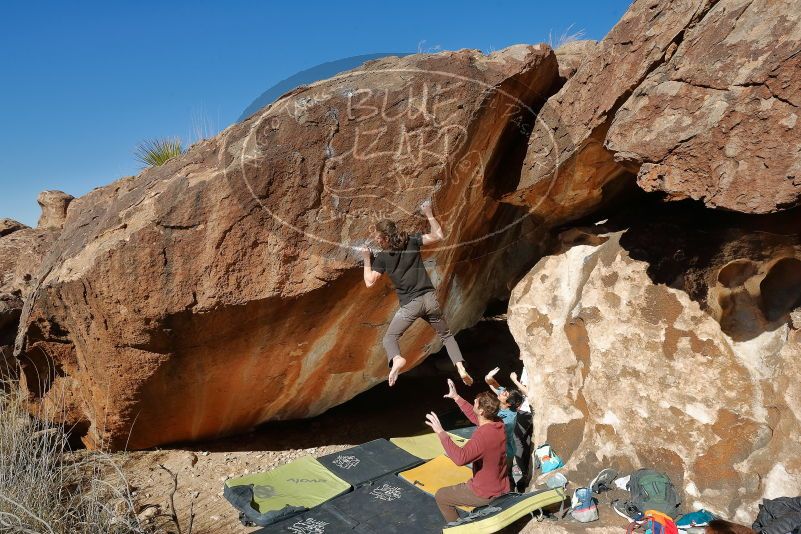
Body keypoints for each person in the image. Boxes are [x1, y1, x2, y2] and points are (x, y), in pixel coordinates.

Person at [361, 200, 473, 387]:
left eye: (379, 237)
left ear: (385, 238)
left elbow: (369, 282)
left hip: (410, 306)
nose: (377, 240)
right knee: (446, 336)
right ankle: (460, 367)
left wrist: (366, 259)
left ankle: (396, 359)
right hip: (430, 300)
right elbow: (438, 235)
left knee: (390, 338)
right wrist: (428, 213)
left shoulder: (382, 257)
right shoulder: (411, 241)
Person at [425, 379, 509, 523]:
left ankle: (458, 529)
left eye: (475, 403)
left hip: (485, 493)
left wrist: (441, 432)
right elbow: (477, 417)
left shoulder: (482, 436)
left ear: (482, 411)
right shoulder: (498, 423)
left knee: (442, 496)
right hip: (502, 485)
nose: (473, 403)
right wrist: (457, 397)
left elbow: (460, 458)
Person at [484, 367, 522, 490]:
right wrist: (489, 377)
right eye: (504, 391)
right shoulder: (504, 399)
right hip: (499, 447)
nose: (501, 392)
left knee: (506, 474)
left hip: (505, 450)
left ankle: (511, 493)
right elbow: (493, 384)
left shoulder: (508, 419)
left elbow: (493, 431)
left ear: (509, 403)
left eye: (505, 394)